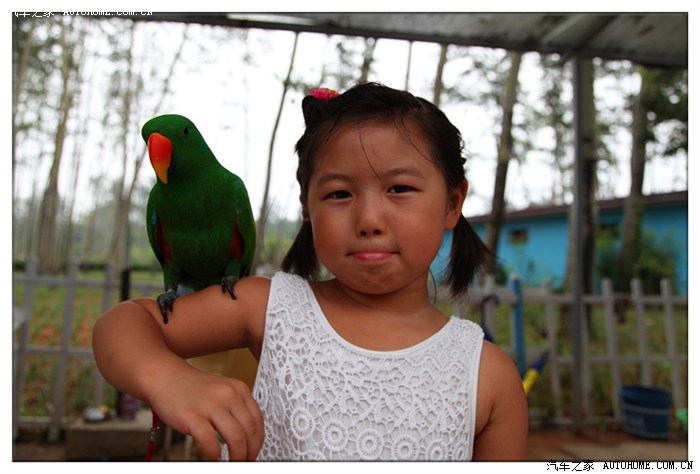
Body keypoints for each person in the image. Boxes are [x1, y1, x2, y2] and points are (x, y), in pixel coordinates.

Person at [93, 82, 528, 461]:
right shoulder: (267, 308)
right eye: (339, 193)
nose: (369, 220)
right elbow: (123, 324)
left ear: (452, 203)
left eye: (400, 188)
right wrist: (169, 379)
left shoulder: (489, 377)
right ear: (307, 207)